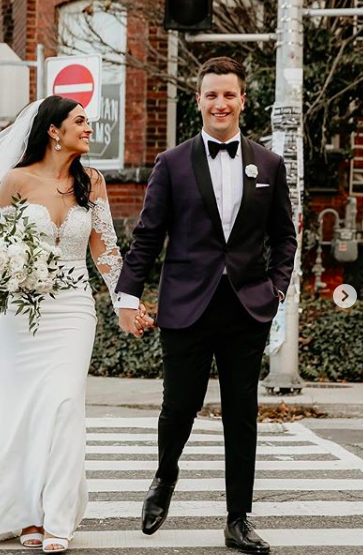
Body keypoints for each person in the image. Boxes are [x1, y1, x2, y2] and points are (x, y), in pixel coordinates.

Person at [0, 95, 152, 552]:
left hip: (74, 308)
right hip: (19, 316)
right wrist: (11, 270)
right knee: (22, 410)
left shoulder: (92, 182)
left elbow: (104, 250)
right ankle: (26, 515)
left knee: (63, 404)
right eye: (80, 121)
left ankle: (56, 516)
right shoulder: (14, 181)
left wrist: (125, 302)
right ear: (54, 131)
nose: (89, 128)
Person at [116, 57, 297, 554]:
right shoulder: (172, 163)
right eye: (212, 95)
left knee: (242, 414)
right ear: (198, 100)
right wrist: (127, 296)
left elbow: (285, 236)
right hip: (186, 307)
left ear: (243, 100)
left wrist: (277, 288)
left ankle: (238, 519)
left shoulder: (269, 164)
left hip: (246, 309)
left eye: (229, 94)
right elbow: (148, 235)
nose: (221, 103)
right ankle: (164, 479)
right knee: (179, 406)